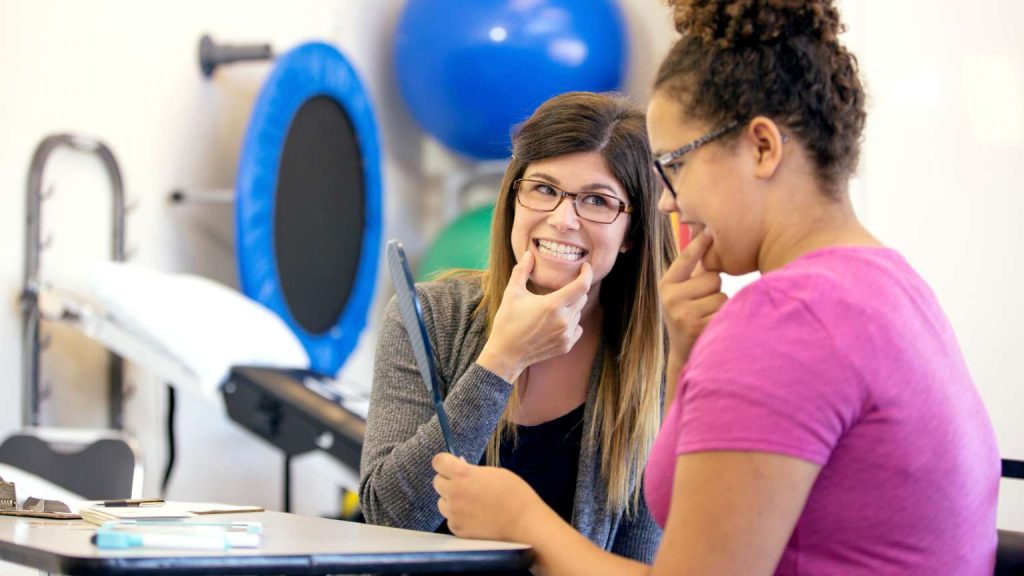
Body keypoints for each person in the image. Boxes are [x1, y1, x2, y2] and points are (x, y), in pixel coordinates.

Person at [431, 1, 1000, 574]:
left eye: (674, 166)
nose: (668, 201)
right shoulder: (890, 285)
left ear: (761, 147)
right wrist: (687, 356)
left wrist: (524, 523)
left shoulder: (785, 320)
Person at [360, 91, 675, 563]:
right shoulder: (431, 316)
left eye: (596, 200)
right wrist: (502, 359)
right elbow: (388, 519)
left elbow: (636, 566)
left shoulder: (658, 361)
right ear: (512, 197)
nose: (562, 219)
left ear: (631, 233)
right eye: (544, 189)